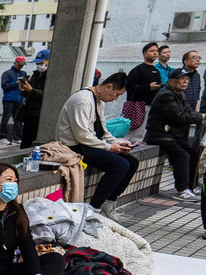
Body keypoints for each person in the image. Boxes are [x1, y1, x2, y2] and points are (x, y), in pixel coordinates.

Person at [56, 72, 138, 220]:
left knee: (132, 162)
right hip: (74, 147)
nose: (116, 99)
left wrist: (117, 142)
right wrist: (109, 148)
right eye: (117, 94)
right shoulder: (82, 100)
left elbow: (103, 130)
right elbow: (81, 136)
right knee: (120, 165)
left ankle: (110, 202)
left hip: (89, 144)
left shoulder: (98, 100)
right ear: (109, 86)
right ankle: (93, 209)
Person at [145, 68, 203, 201]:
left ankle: (191, 187)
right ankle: (181, 190)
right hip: (159, 134)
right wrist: (201, 117)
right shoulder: (166, 95)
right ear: (171, 81)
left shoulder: (179, 94)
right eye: (182, 79)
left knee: (193, 153)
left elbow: (188, 112)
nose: (185, 81)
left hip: (172, 135)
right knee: (182, 155)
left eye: (187, 79)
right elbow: (179, 116)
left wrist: (199, 116)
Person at [121, 42, 162, 144]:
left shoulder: (156, 71)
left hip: (151, 105)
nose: (155, 53)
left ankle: (136, 145)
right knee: (133, 129)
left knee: (143, 130)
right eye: (152, 51)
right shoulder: (137, 70)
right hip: (137, 105)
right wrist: (148, 87)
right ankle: (125, 144)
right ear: (144, 53)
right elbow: (130, 87)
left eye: (156, 51)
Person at [19, 50, 49, 149]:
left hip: (39, 113)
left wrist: (31, 90)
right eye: (37, 63)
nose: (38, 65)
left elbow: (47, 95)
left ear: (48, 61)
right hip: (29, 111)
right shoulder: (36, 74)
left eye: (40, 63)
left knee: (33, 142)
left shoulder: (50, 77)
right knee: (25, 141)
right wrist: (23, 89)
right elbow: (28, 93)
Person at [0, 56, 28, 145]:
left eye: (22, 65)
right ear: (15, 63)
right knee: (5, 118)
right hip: (9, 99)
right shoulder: (7, 73)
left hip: (19, 99)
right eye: (19, 65)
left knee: (18, 119)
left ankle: (17, 137)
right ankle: (2, 137)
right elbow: (4, 86)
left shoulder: (23, 73)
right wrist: (15, 83)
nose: (21, 67)